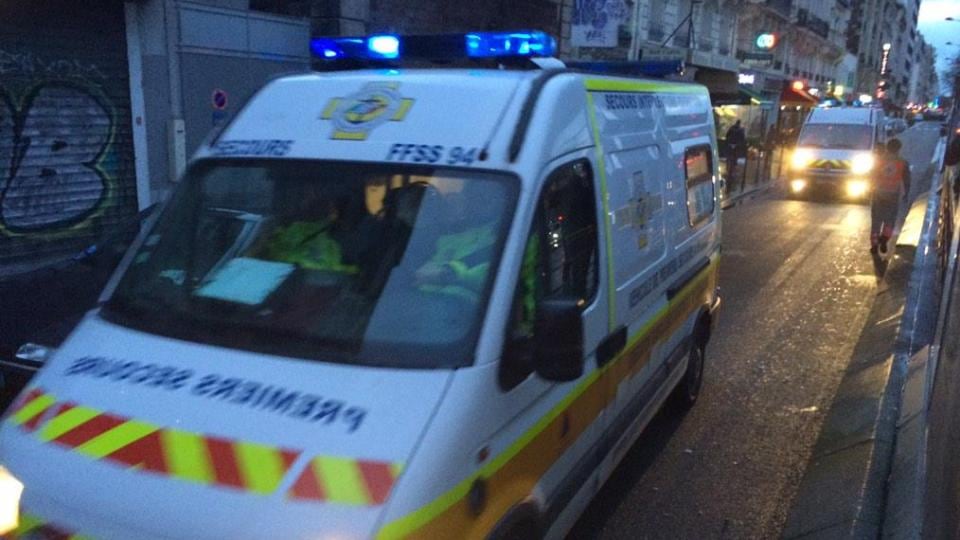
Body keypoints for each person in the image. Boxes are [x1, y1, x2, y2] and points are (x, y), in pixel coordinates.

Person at [870, 138, 911, 256]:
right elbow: (907, 180)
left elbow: (871, 175)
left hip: (878, 194)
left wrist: (871, 189)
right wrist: (906, 194)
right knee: (890, 220)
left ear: (887, 148)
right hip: (893, 195)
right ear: (899, 149)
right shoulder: (902, 162)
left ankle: (874, 245)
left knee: (876, 221)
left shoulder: (878, 161)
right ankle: (884, 238)